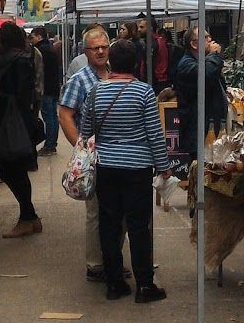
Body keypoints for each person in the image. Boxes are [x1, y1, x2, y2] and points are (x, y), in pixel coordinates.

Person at [79, 39, 169, 302]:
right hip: (137, 168)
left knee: (109, 225)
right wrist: (164, 167)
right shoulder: (144, 93)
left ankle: (114, 283)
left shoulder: (96, 92)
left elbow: (86, 133)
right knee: (139, 226)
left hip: (106, 167)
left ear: (111, 62)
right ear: (136, 64)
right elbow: (154, 134)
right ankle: (144, 286)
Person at [58, 25, 127, 282]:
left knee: (119, 211)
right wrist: (81, 146)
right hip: (94, 157)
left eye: (103, 47)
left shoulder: (116, 75)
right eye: (94, 48)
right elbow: (65, 114)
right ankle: (96, 265)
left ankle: (114, 259)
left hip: (118, 154)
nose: (100, 52)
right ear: (85, 52)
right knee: (96, 211)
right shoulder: (79, 81)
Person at [0, 23, 43, 238]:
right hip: (15, 123)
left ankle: (27, 217)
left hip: (14, 124)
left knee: (13, 170)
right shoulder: (20, 59)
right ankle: (29, 216)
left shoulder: (17, 62)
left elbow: (22, 97)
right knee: (14, 170)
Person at [173, 26, 228, 163]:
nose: (210, 40)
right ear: (194, 44)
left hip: (209, 127)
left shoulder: (203, 61)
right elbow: (206, 75)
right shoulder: (186, 64)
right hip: (197, 132)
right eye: (205, 38)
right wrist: (215, 56)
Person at [31, 26, 61, 154]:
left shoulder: (39, 50)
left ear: (39, 36)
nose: (31, 40)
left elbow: (39, 72)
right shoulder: (51, 48)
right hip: (54, 87)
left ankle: (49, 145)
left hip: (46, 88)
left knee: (48, 117)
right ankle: (52, 143)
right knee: (53, 116)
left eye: (32, 37)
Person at [137, 15, 168, 92]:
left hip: (155, 84)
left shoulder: (154, 43)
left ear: (150, 28)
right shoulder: (154, 42)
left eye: (142, 27)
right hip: (156, 82)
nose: (139, 29)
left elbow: (149, 66)